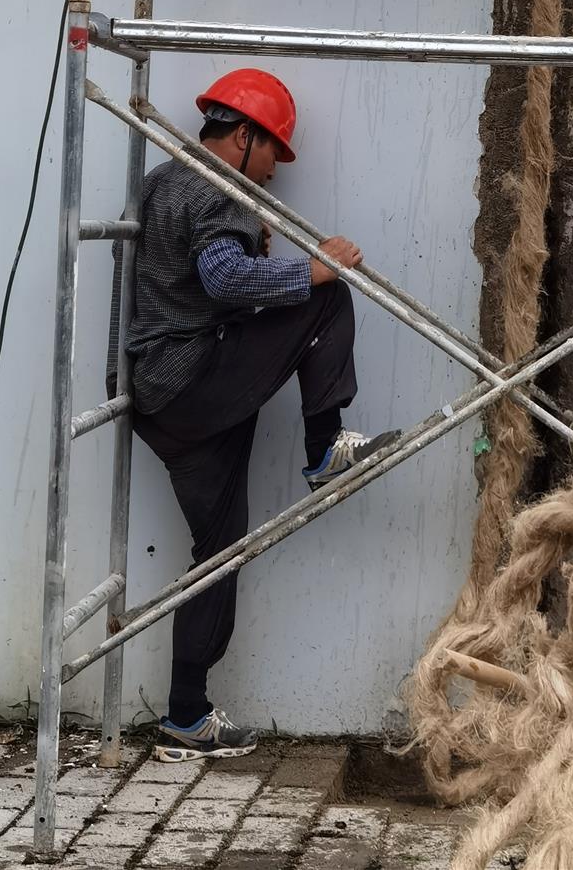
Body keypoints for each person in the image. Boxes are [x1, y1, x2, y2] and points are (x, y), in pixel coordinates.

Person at [107, 67, 398, 760]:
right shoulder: (219, 184)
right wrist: (315, 269)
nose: (271, 174)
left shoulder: (160, 181)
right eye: (272, 155)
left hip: (161, 400)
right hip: (193, 379)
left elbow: (196, 277)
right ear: (243, 137)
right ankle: (325, 446)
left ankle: (185, 717)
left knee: (219, 550)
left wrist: (252, 255)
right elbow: (223, 279)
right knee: (326, 298)